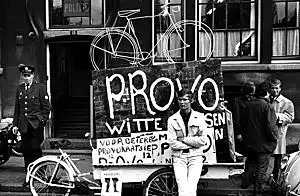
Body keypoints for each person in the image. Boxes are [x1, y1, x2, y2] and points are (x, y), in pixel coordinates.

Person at [12, 64, 51, 187]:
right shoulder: (19, 89)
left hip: (36, 125)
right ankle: (29, 176)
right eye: (25, 76)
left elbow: (46, 107)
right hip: (24, 125)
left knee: (35, 149)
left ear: (33, 76)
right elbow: (17, 109)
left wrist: (42, 121)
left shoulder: (40, 88)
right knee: (26, 151)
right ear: (22, 76)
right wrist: (15, 124)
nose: (27, 78)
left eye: (29, 76)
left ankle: (41, 172)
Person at [239, 82, 278, 194]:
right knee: (261, 169)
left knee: (250, 164)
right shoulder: (267, 106)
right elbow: (271, 127)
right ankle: (258, 191)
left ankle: (244, 185)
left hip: (250, 143)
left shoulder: (248, 104)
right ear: (267, 92)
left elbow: (244, 123)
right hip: (264, 144)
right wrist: (274, 138)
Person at [167, 89, 207, 196]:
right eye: (180, 99)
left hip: (196, 156)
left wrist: (184, 139)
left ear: (191, 100)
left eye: (185, 99)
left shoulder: (199, 117)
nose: (182, 102)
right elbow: (172, 143)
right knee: (182, 188)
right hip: (179, 157)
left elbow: (203, 140)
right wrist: (194, 142)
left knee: (191, 187)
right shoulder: (172, 119)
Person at [268, 77, 294, 182]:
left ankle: (275, 178)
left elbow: (291, 117)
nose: (275, 90)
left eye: (277, 88)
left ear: (280, 88)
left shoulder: (287, 102)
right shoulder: (266, 99)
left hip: (278, 131)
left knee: (278, 158)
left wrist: (276, 116)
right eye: (273, 88)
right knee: (264, 156)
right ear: (269, 89)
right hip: (267, 132)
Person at [232, 81, 256, 155]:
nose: (251, 95)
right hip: (243, 130)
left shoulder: (254, 100)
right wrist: (238, 132)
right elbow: (236, 118)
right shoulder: (238, 101)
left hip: (252, 130)